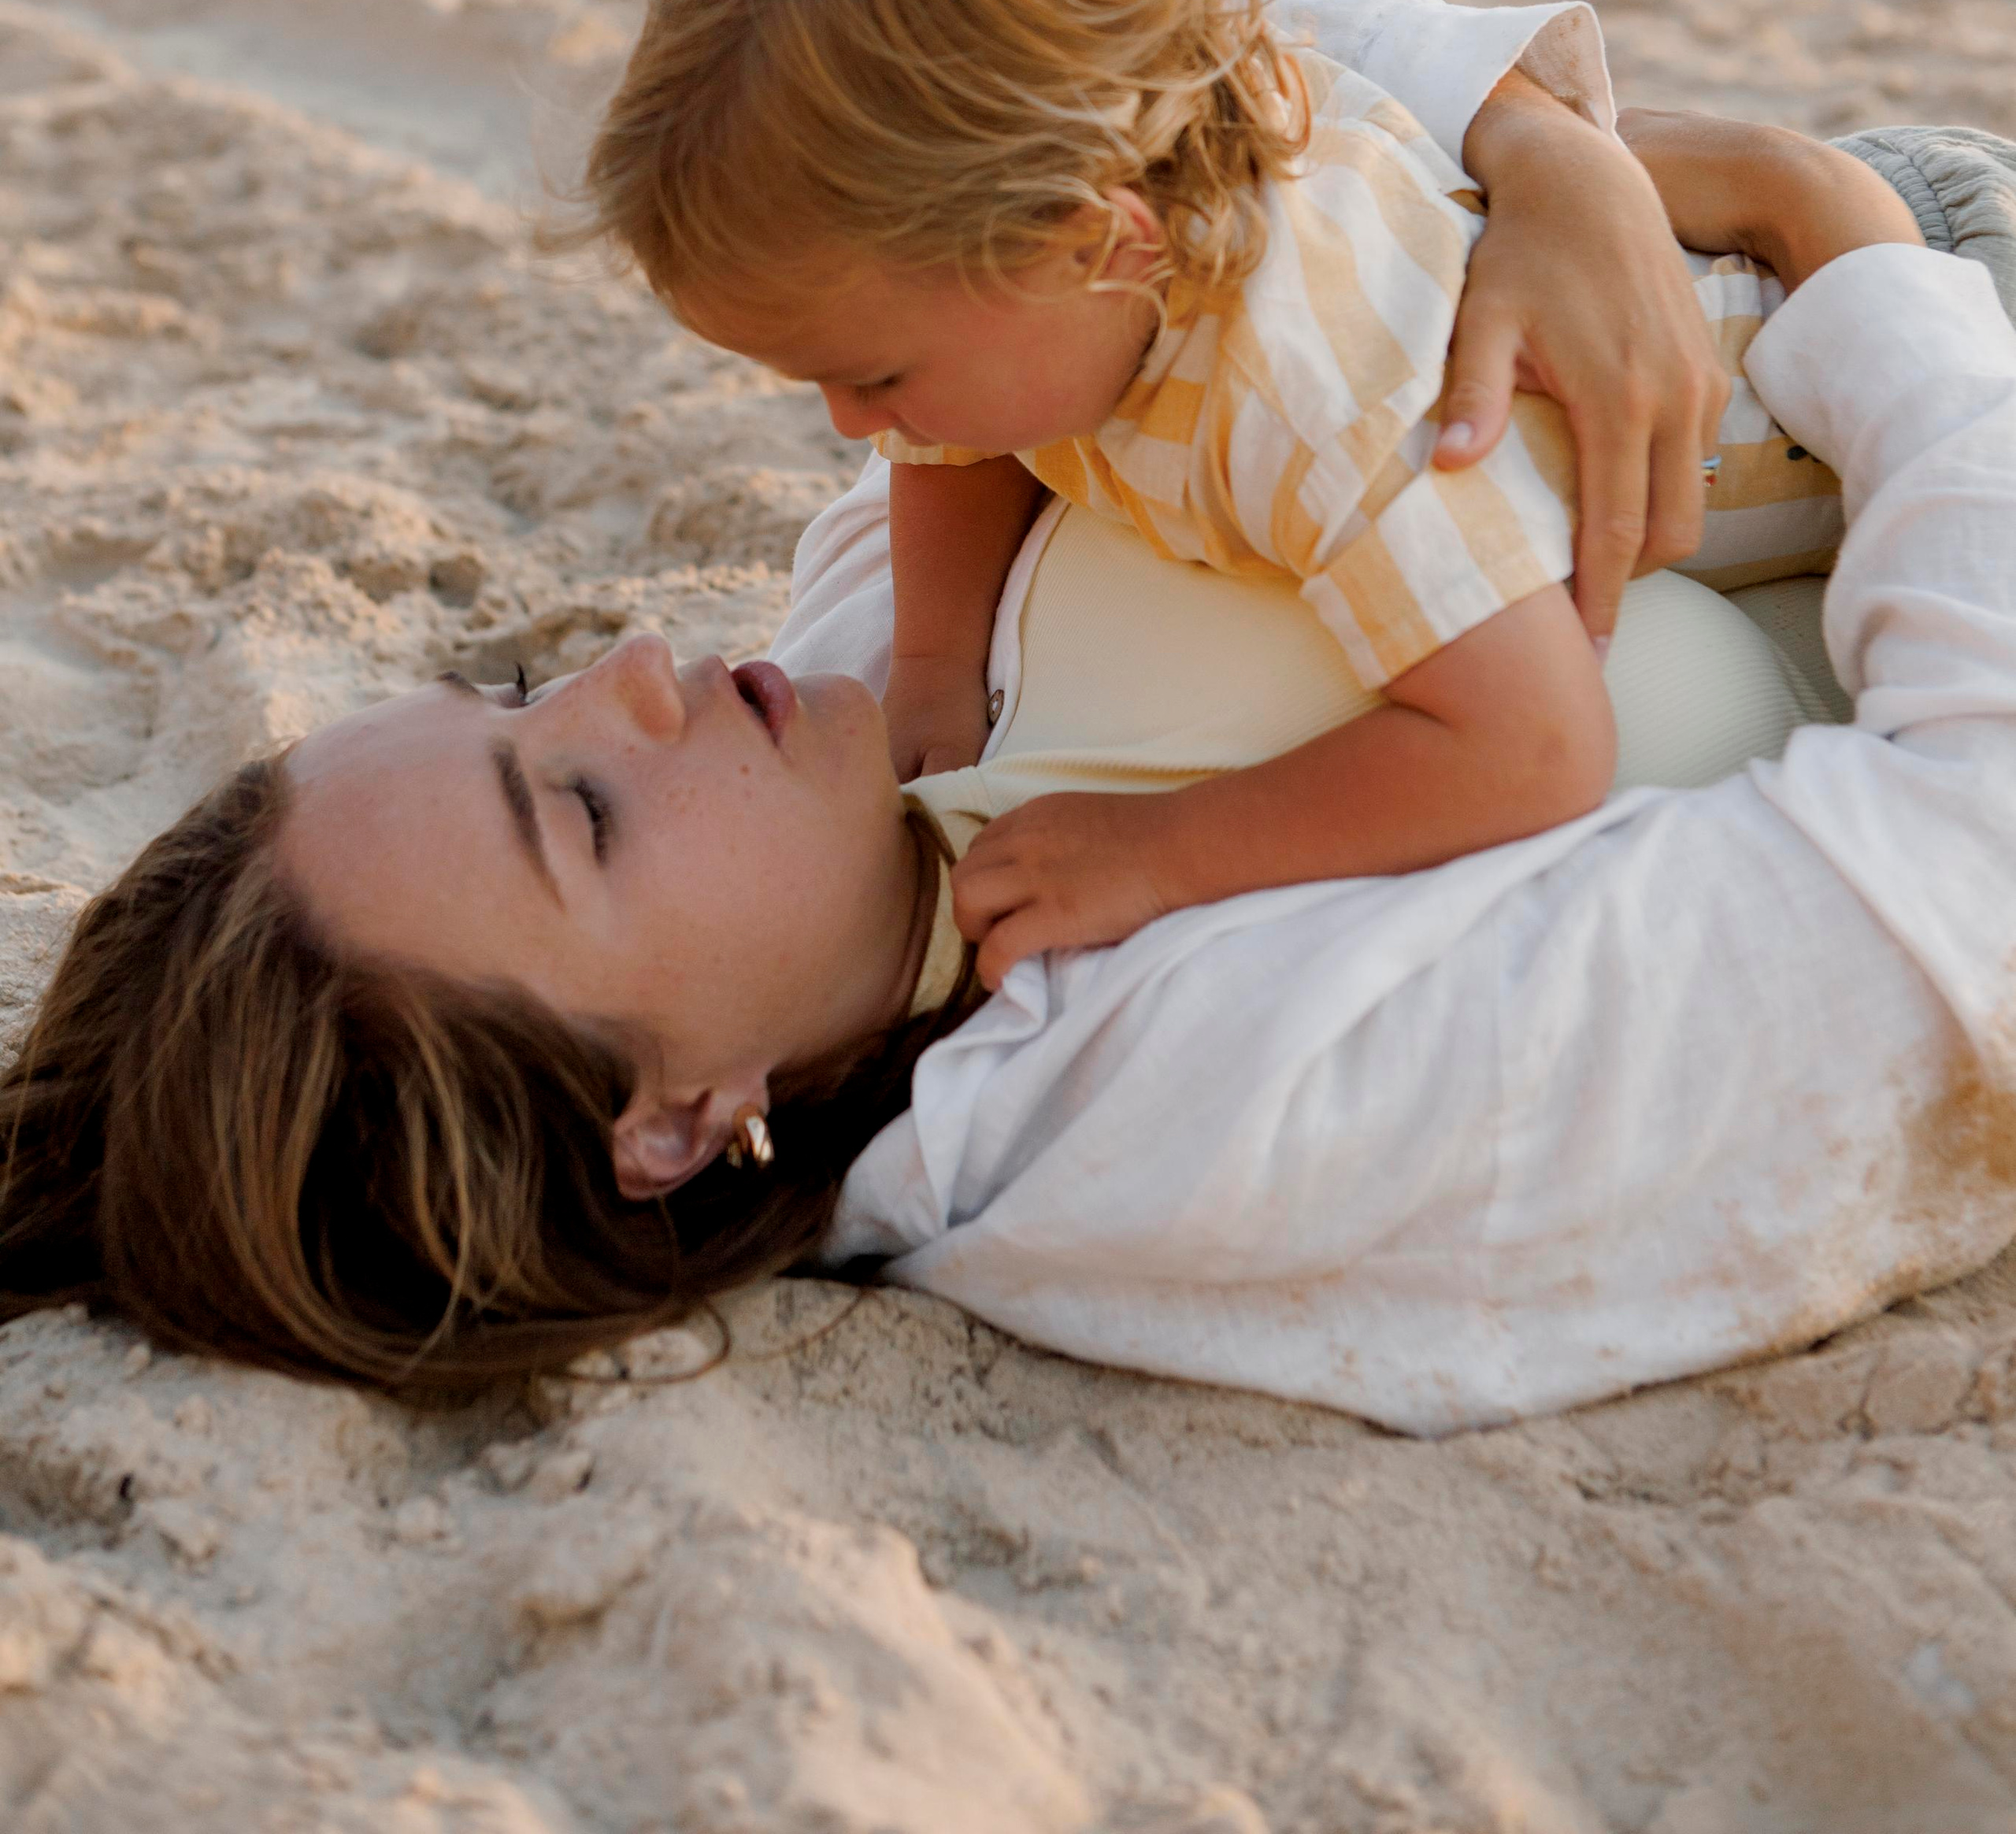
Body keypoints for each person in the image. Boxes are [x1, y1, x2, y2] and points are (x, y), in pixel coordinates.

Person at [2, 110, 2011, 1438]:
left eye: (519, 692)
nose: (626, 673)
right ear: (670, 1128)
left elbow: (1161, 183)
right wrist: (1826, 231)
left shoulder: (871, 692)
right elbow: (1975, 863)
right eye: (580, 812)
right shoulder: (1204, 1106)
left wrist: (1558, 157)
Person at [577, 0, 1837, 980]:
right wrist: (934, 661)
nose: (851, 424)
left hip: (1852, 369)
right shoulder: (1075, 256)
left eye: (875, 377)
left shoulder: (1312, 387)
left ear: (1097, 241)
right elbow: (954, 448)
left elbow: (1537, 747)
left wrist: (1158, 854)